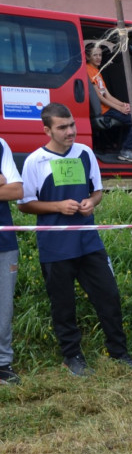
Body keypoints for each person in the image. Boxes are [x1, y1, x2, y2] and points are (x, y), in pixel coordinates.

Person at [17, 103, 132, 375]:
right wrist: (57, 207)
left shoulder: (85, 153)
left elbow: (98, 191)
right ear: (47, 129)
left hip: (88, 241)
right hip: (55, 246)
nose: (71, 131)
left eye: (72, 124)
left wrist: (91, 203)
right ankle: (72, 356)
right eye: (63, 127)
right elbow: (25, 204)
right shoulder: (35, 161)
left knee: (108, 296)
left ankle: (119, 352)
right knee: (63, 304)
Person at [85, 42, 132, 163]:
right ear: (88, 57)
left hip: (108, 107)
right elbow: (100, 98)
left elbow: (107, 94)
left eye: (100, 55)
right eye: (95, 55)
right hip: (105, 111)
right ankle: (126, 150)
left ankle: (126, 141)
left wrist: (124, 104)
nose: (99, 58)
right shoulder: (89, 71)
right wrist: (119, 109)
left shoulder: (97, 71)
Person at [0, 136, 24, 385]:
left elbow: (16, 190)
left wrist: (6, 183)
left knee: (2, 307)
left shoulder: (0, 144)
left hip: (3, 242)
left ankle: (2, 364)